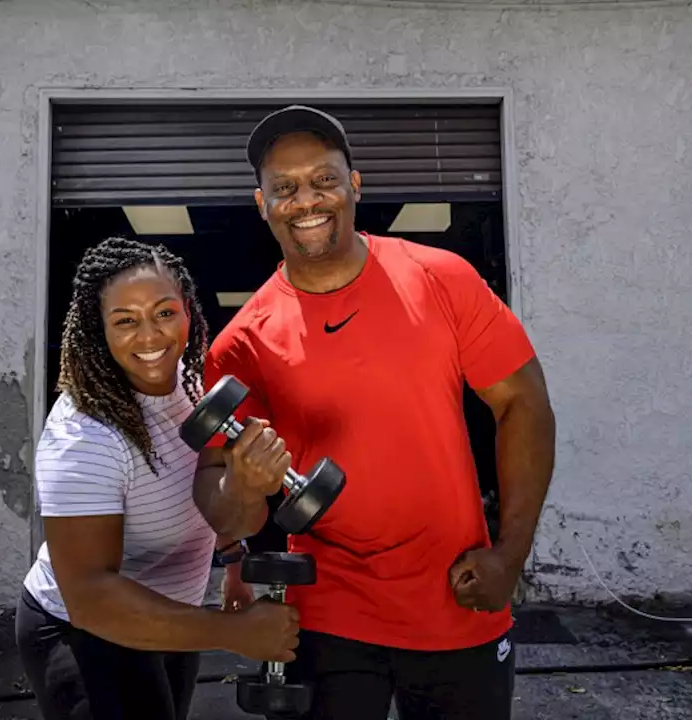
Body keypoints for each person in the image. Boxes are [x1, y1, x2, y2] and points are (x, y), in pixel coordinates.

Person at [193, 106, 558, 720]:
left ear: (355, 186)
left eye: (323, 180)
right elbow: (225, 509)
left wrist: (510, 555)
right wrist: (244, 487)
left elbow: (524, 404)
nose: (306, 200)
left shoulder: (441, 279)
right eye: (284, 188)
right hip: (325, 618)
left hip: (456, 602)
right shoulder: (242, 343)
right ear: (262, 203)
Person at [16, 237, 301, 720]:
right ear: (98, 330)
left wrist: (235, 555)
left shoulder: (196, 389)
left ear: (188, 310)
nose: (150, 336)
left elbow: (215, 500)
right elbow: (91, 598)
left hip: (172, 617)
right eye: (125, 320)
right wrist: (234, 633)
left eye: (165, 313)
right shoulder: (82, 435)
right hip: (83, 629)